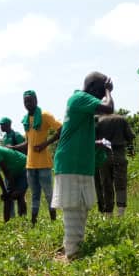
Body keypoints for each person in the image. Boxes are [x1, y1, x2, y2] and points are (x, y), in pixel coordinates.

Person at [52, 72, 115, 260]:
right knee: (73, 206)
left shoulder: (82, 105)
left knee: (82, 206)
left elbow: (77, 134)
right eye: (101, 91)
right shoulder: (79, 98)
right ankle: (72, 253)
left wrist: (97, 144)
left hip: (79, 164)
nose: (103, 96)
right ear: (95, 86)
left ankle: (73, 247)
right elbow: (108, 108)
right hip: (71, 164)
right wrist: (109, 91)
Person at [20, 90, 63, 224]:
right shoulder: (26, 120)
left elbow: (61, 129)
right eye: (25, 101)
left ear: (36, 100)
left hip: (44, 164)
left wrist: (45, 144)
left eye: (30, 100)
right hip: (30, 165)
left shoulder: (45, 115)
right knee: (34, 196)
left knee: (49, 195)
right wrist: (10, 148)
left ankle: (54, 222)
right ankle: (33, 223)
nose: (28, 103)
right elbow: (28, 142)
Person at [95, 112, 134, 216]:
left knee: (106, 185)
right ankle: (120, 212)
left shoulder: (98, 120)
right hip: (119, 154)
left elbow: (93, 138)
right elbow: (130, 137)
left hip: (103, 156)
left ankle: (108, 213)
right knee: (120, 185)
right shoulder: (121, 119)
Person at [93, 136, 114, 213]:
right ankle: (101, 209)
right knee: (98, 185)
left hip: (105, 159)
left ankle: (108, 209)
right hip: (94, 160)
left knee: (106, 184)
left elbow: (109, 142)